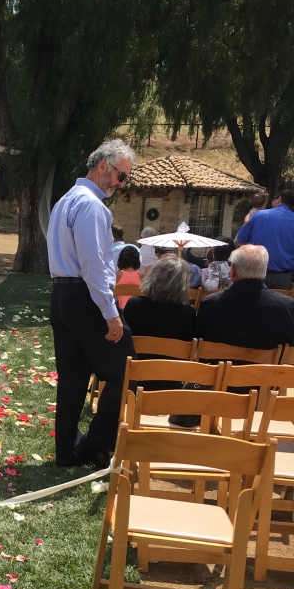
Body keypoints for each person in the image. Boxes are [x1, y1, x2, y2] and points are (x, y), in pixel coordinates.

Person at [47, 138, 135, 468]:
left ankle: (67, 452)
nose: (121, 183)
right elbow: (94, 265)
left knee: (72, 377)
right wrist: (111, 315)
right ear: (102, 167)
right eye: (120, 175)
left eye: (125, 178)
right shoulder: (92, 206)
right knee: (126, 369)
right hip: (83, 295)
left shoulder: (64, 202)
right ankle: (94, 447)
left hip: (62, 295)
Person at [196, 244, 294, 350]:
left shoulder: (209, 305)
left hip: (219, 365)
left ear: (232, 270)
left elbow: (198, 345)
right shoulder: (288, 307)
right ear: (265, 269)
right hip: (268, 366)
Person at [123, 254, 196, 341]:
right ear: (183, 284)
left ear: (152, 277)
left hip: (138, 354)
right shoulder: (188, 313)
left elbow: (125, 339)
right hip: (171, 354)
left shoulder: (134, 304)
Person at [235, 187, 294, 288]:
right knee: (280, 303)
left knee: (254, 302)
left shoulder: (258, 215)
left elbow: (239, 241)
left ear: (279, 199)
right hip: (284, 277)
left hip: (255, 274)